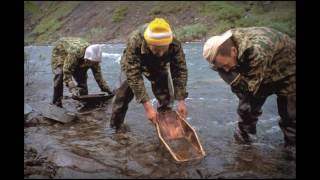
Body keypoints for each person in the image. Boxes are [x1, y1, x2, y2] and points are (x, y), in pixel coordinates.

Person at [202, 27, 296, 148]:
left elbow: (250, 91)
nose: (226, 70)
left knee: (290, 116)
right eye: (221, 67)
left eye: (225, 65)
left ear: (233, 51)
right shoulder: (223, 46)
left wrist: (234, 81)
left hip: (289, 70)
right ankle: (244, 139)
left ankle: (291, 151)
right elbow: (240, 89)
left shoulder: (256, 51)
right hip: (258, 63)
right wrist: (227, 73)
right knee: (246, 109)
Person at [110, 18, 188, 131]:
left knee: (166, 96)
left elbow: (180, 69)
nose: (160, 53)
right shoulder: (135, 40)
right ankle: (116, 128)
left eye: (163, 50)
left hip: (159, 65)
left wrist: (181, 100)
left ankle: (165, 125)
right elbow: (134, 75)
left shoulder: (174, 42)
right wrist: (148, 108)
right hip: (133, 64)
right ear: (148, 43)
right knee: (122, 96)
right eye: (156, 49)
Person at [51, 37, 113, 108]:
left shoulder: (95, 60)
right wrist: (72, 88)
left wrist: (108, 90)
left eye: (94, 63)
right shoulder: (75, 53)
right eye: (90, 63)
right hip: (60, 50)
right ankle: (56, 103)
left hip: (79, 56)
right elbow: (67, 71)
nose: (92, 65)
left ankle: (83, 102)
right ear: (86, 58)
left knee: (82, 78)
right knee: (60, 75)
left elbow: (99, 77)